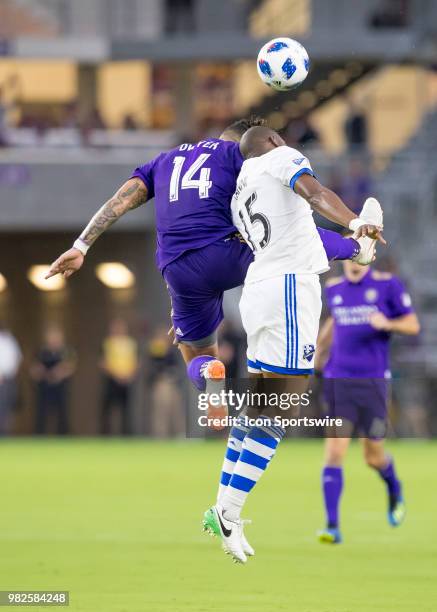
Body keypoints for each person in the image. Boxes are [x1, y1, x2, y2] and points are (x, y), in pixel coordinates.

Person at [46, 117, 377, 400]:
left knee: (196, 351)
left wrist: (82, 245)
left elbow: (121, 199)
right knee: (288, 237)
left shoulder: (164, 160)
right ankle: (357, 249)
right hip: (224, 253)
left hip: (177, 270)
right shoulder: (237, 154)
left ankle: (211, 376)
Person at [202, 125, 385, 563]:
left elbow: (300, 236)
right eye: (282, 137)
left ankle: (221, 505)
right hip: (288, 292)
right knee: (282, 409)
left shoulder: (240, 190)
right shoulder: (280, 159)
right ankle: (230, 511)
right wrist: (357, 221)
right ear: (273, 142)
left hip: (258, 292)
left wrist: (354, 248)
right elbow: (315, 193)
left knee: (258, 408)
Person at [315, 258, 420, 544]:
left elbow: (412, 324)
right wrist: (318, 353)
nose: (354, 261)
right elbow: (333, 321)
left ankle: (393, 486)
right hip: (339, 380)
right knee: (335, 451)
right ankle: (332, 525)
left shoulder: (387, 285)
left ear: (369, 257)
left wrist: (387, 322)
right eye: (350, 254)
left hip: (373, 383)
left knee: (372, 456)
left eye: (360, 254)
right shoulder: (334, 289)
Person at [30, 326, 76, 435]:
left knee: (62, 414)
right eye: (51, 337)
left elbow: (72, 367)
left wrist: (60, 373)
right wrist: (41, 372)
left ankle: (63, 437)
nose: (54, 339)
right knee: (41, 414)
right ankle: (39, 437)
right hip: (44, 388)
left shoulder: (66, 351)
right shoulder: (41, 352)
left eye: (56, 337)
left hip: (61, 388)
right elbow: (33, 370)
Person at [100, 319, 138, 435]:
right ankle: (105, 434)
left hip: (126, 381)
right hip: (111, 380)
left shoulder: (131, 343)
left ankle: (126, 435)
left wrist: (129, 375)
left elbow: (135, 361)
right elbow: (103, 362)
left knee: (126, 410)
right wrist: (116, 375)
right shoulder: (107, 343)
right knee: (107, 409)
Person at [0, 322, 22, 434]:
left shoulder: (9, 339)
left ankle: (3, 435)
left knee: (5, 409)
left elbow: (16, 359)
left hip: (7, 380)